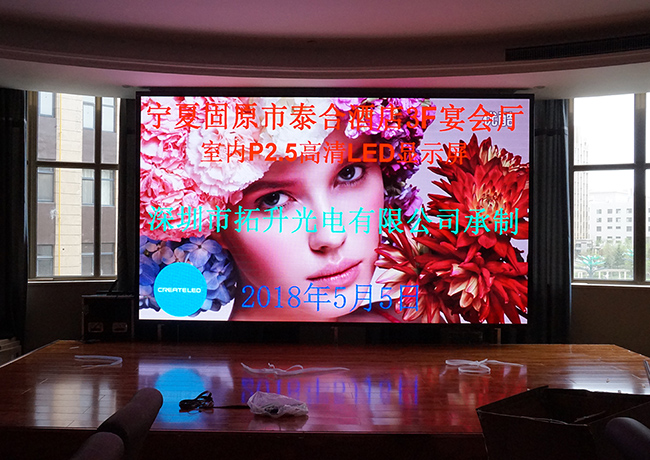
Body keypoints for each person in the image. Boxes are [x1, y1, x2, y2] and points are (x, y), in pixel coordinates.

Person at [140, 96, 429, 322]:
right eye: (273, 200)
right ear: (211, 223)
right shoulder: (201, 374)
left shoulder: (422, 327)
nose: (331, 236)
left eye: (349, 173)